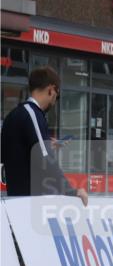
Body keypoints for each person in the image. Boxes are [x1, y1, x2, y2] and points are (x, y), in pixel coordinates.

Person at [0, 66, 88, 204]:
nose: (55, 100)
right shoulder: (32, 114)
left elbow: (14, 154)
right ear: (51, 90)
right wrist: (71, 191)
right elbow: (45, 160)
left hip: (16, 200)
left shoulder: (13, 115)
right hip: (31, 201)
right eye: (57, 96)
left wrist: (46, 146)